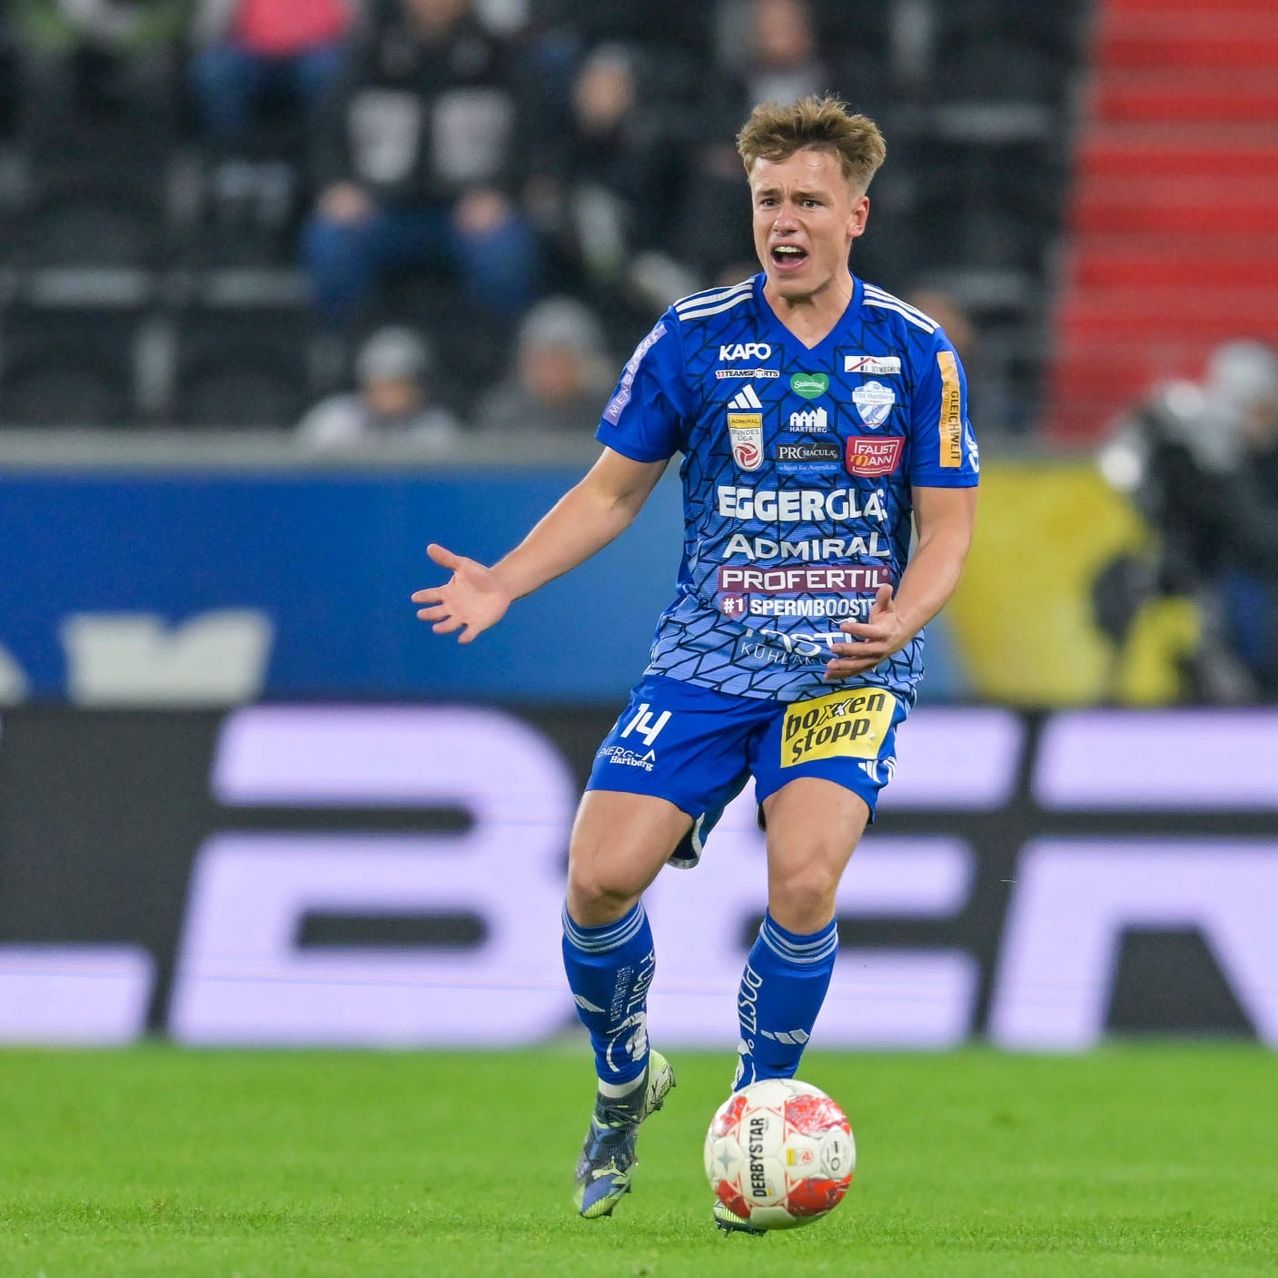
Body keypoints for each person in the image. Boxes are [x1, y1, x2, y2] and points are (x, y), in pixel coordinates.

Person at [412, 95, 979, 1230]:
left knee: (805, 879)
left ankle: (757, 1109)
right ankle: (625, 1075)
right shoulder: (692, 337)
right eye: (770, 199)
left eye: (809, 201)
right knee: (597, 880)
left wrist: (902, 621)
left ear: (854, 216)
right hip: (709, 658)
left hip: (846, 668)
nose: (786, 220)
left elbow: (948, 530)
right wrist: (505, 581)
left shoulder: (916, 351)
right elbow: (612, 492)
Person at [303, 0, 539, 326]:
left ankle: (494, 354)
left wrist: (500, 191)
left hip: (468, 210)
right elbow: (327, 129)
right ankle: (346, 349)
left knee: (504, 255)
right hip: (382, 208)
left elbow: (529, 135)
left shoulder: (499, 54)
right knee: (332, 242)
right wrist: (339, 184)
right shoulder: (368, 50)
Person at [296, 325, 460, 450]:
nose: (388, 394)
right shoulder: (333, 419)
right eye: (379, 383)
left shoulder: (437, 428)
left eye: (399, 383)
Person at [473, 297, 613, 435]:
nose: (553, 372)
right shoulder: (502, 416)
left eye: (563, 360)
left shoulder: (610, 415)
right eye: (544, 360)